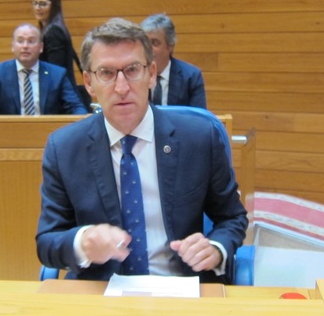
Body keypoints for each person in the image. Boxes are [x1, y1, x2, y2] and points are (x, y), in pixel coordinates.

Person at [37, 18, 247, 283]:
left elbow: (232, 217)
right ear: (89, 83)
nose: (122, 87)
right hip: (100, 292)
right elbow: (47, 242)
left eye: (133, 70)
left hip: (181, 288)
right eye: (106, 73)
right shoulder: (64, 148)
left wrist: (215, 249)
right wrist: (82, 242)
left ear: (152, 74)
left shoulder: (199, 138)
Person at [0, 23, 88, 115]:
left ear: (41, 47)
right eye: (20, 41)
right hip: (7, 134)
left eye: (31, 41)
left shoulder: (57, 74)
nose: (25, 46)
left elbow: (76, 107)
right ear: (13, 46)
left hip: (49, 134)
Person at [32, 0, 92, 109]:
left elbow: (55, 70)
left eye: (43, 4)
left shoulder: (53, 31)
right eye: (35, 3)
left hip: (59, 98)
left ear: (54, 6)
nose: (38, 8)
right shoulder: (51, 29)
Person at [140, 13, 207, 108]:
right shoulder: (136, 75)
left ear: (170, 45)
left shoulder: (191, 77)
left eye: (155, 43)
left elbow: (197, 115)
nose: (148, 48)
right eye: (145, 43)